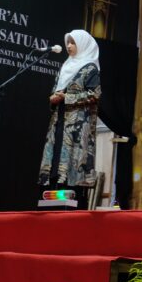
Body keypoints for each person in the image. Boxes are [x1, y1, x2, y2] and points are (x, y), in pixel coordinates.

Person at [38, 29, 101, 208]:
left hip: (77, 125)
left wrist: (67, 98)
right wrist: (53, 99)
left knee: (72, 165)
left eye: (73, 42)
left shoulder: (90, 68)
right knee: (55, 161)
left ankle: (71, 203)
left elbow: (94, 95)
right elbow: (57, 91)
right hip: (59, 121)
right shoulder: (66, 66)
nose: (69, 46)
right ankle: (52, 197)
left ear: (83, 45)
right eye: (68, 42)